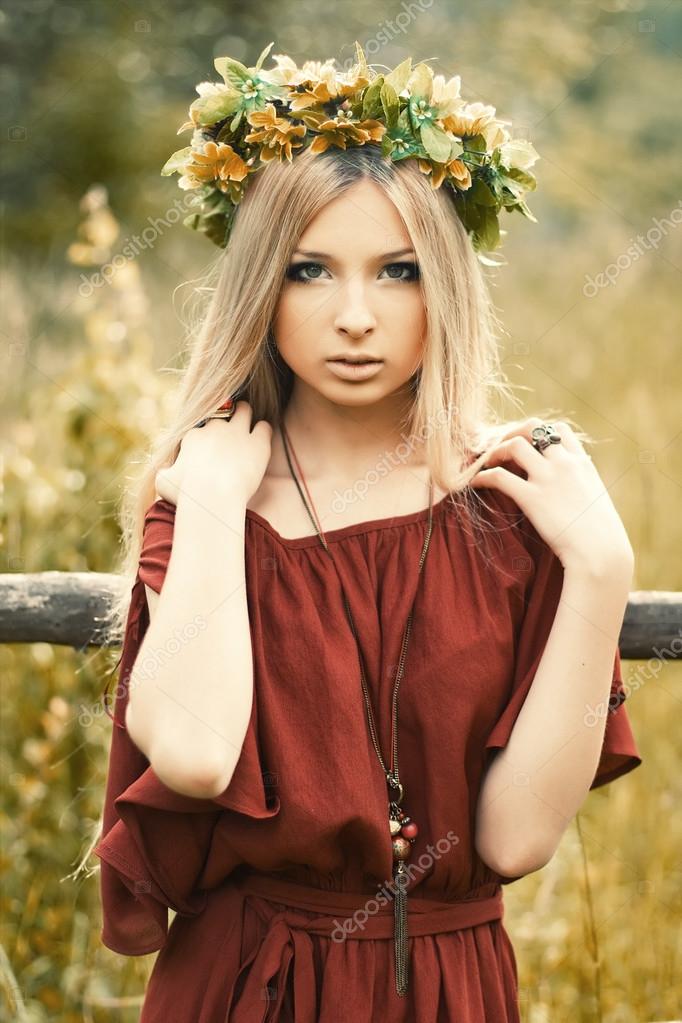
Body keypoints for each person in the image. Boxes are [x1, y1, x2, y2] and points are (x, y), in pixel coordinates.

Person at [93, 44, 642, 1023]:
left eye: (397, 272)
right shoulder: (209, 499)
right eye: (311, 271)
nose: (355, 317)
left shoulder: (512, 515)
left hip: (445, 984)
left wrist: (600, 570)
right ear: (263, 285)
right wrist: (217, 499)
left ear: (447, 288)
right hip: (241, 983)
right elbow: (190, 755)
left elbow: (513, 840)